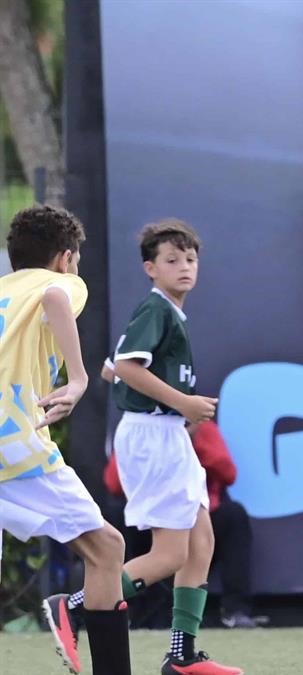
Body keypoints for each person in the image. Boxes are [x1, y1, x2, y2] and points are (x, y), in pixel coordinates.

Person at [44, 219, 241, 675]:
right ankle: (74, 606)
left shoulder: (167, 313)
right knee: (171, 554)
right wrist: (184, 403)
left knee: (201, 542)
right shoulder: (156, 308)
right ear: (150, 268)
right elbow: (130, 368)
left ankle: (182, 654)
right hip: (154, 436)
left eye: (190, 259)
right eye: (172, 260)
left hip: (166, 434)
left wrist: (155, 393)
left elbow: (115, 367)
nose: (184, 266)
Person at [0, 204, 131, 675]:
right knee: (107, 549)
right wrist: (78, 379)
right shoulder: (59, 281)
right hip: (12, 444)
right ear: (66, 257)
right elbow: (56, 296)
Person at [100, 415, 259, 629]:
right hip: (153, 518)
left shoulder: (203, 428)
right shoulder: (142, 430)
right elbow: (113, 482)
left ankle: (221, 618)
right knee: (165, 552)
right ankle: (84, 604)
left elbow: (228, 472)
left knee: (227, 521)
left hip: (195, 512)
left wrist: (190, 443)